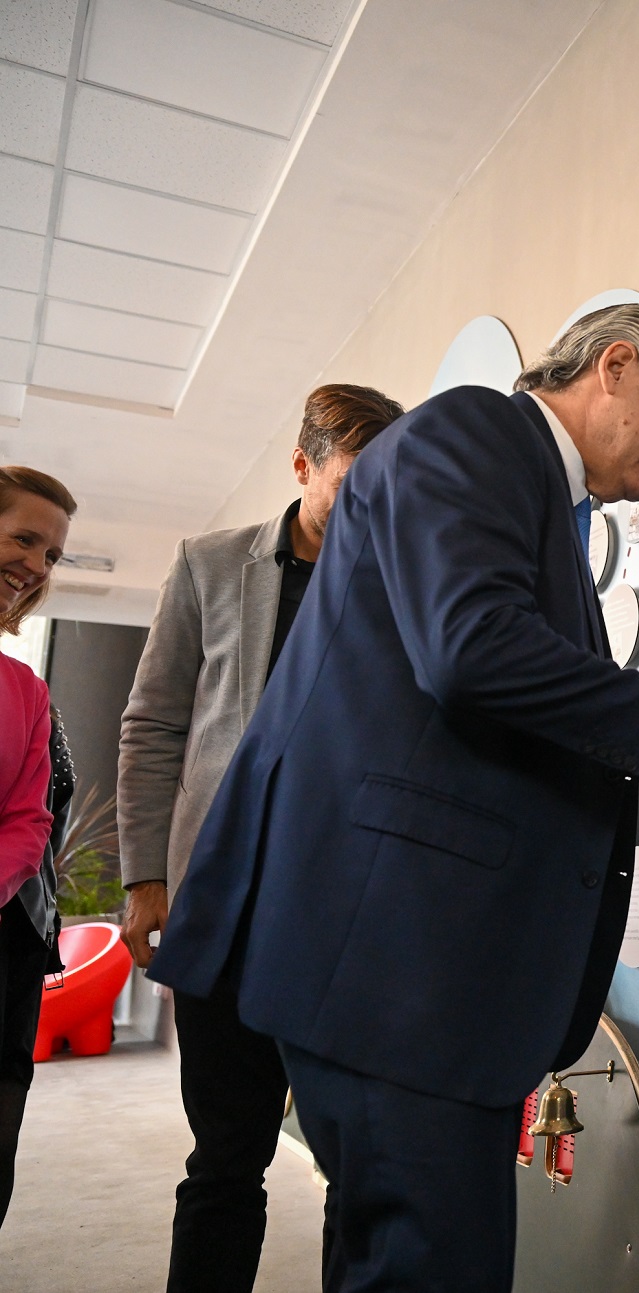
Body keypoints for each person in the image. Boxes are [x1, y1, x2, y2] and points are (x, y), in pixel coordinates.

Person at [147, 304, 639, 1291]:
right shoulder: (479, 431)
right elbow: (473, 649)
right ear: (613, 366)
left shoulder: (529, 488)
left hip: (419, 979)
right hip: (399, 972)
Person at [116, 384, 401, 1290]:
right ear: (303, 464)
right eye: (357, 473)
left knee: (353, 1165)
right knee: (226, 1156)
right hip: (225, 903)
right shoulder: (210, 565)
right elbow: (154, 725)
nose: (374, 496)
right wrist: (142, 878)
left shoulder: (403, 579)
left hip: (344, 915)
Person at [0, 467, 73, 1229]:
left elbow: (30, 819)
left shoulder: (24, 689)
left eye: (51, 555)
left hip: (4, 945)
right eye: (24, 537)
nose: (37, 566)